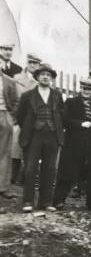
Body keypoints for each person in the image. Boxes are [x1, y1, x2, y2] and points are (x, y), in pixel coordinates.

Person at [17, 63, 64, 212]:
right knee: (31, 168)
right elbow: (20, 116)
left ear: (51, 78)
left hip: (52, 135)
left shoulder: (57, 95)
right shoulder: (27, 96)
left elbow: (61, 114)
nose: (45, 77)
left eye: (48, 75)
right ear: (37, 77)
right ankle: (28, 202)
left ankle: (45, 202)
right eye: (43, 74)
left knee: (49, 169)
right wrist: (30, 129)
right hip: (33, 136)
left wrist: (56, 130)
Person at [53, 79, 91, 211]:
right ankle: (58, 200)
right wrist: (80, 124)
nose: (87, 91)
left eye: (89, 89)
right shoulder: (71, 102)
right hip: (73, 141)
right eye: (84, 89)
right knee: (67, 171)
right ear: (80, 89)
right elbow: (64, 120)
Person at [11, 53, 40, 185]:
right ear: (27, 63)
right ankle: (12, 176)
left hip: (32, 119)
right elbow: (11, 97)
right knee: (14, 147)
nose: (33, 65)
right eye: (31, 62)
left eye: (35, 63)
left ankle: (24, 178)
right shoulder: (17, 78)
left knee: (29, 148)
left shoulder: (40, 83)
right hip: (17, 117)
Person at [0, 69, 19, 199]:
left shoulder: (9, 81)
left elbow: (16, 101)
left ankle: (3, 187)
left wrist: (12, 117)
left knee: (5, 153)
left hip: (4, 115)